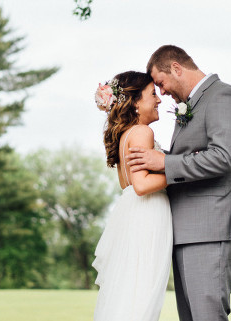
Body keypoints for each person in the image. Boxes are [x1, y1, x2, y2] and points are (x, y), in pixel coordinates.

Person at [128, 45, 231, 321]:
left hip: (211, 229)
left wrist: (164, 162)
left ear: (176, 68)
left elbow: (223, 157)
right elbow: (190, 156)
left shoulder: (223, 96)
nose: (161, 93)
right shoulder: (192, 104)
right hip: (186, 231)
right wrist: (157, 157)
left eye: (161, 83)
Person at [91, 71, 173, 321]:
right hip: (147, 215)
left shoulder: (126, 134)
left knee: (132, 290)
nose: (159, 99)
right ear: (135, 101)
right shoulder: (141, 132)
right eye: (152, 94)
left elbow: (126, 184)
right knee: (142, 293)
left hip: (134, 214)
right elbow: (141, 185)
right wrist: (183, 171)